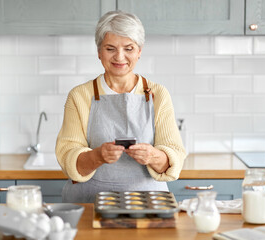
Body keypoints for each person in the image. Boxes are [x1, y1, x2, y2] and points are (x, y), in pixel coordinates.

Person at [55, 10, 186, 203]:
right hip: (90, 204)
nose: (120, 57)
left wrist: (153, 155)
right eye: (110, 49)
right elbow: (68, 158)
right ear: (99, 52)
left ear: (139, 51)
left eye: (129, 48)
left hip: (149, 204)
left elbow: (174, 156)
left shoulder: (158, 94)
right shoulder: (80, 96)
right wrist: (98, 156)